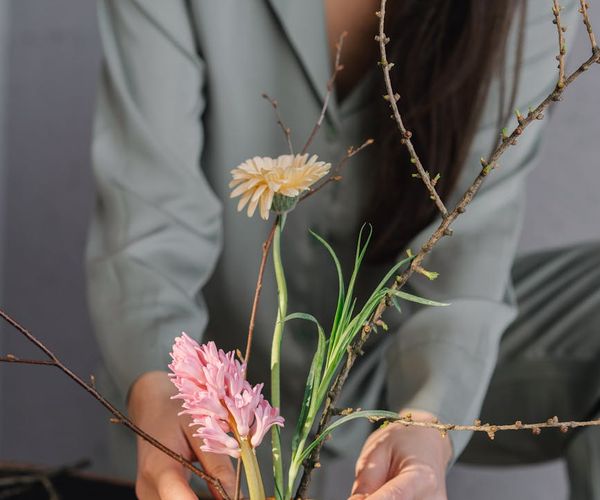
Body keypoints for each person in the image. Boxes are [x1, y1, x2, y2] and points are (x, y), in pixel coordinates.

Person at [87, 0, 599, 498]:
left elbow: (468, 235)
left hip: (402, 347)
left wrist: (428, 420)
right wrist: (159, 383)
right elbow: (149, 219)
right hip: (220, 386)